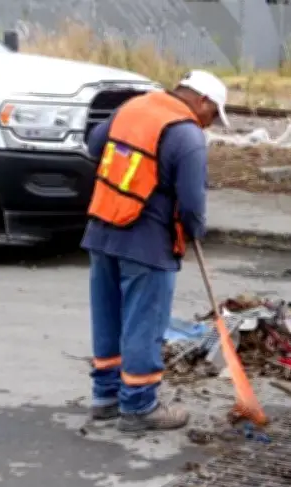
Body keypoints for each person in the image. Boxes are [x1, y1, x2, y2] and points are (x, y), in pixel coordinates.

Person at [84, 70, 229, 433]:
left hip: (102, 230)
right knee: (143, 323)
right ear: (203, 101)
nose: (209, 124)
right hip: (147, 242)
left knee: (108, 316)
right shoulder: (186, 133)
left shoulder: (134, 107)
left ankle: (106, 398)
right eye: (213, 116)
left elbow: (94, 145)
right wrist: (195, 230)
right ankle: (139, 406)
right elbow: (193, 202)